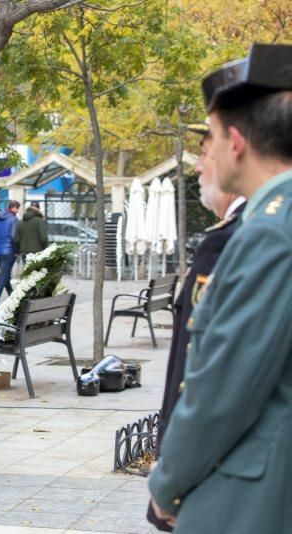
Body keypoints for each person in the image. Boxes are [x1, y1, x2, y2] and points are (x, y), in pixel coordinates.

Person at [148, 43, 292, 532]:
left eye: (208, 138)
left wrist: (167, 484)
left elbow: (221, 392)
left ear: (235, 143)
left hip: (251, 497)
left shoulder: (269, 234)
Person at [146, 121, 246, 531]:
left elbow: (204, 377)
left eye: (205, 154)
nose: (201, 168)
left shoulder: (233, 241)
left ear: (236, 148)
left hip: (226, 472)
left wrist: (173, 476)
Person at [0, 200, 19, 308]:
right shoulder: (14, 219)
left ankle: (13, 297)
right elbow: (14, 237)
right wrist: (16, 252)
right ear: (15, 208)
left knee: (5, 276)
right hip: (9, 252)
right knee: (3, 276)